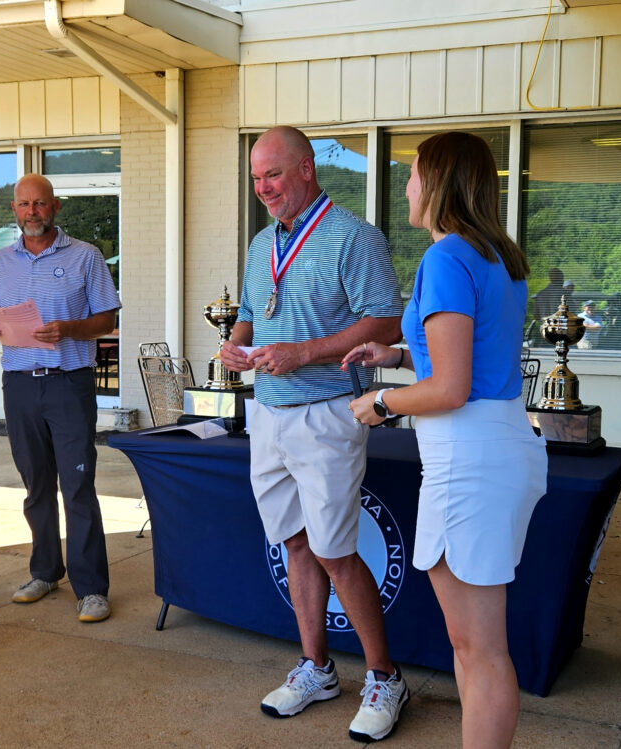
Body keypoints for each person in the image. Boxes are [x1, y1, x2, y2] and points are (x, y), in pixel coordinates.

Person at [342, 131, 548, 748]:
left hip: (469, 458)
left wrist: (379, 402)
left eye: (411, 174)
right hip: (496, 444)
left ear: (439, 182)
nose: (405, 185)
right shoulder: (494, 255)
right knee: (474, 648)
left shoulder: (445, 258)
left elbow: (452, 389)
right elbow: (472, 357)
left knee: (480, 652)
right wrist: (400, 353)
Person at [218, 126, 407, 743]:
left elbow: (384, 318)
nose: (262, 188)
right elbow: (250, 313)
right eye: (255, 178)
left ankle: (384, 677)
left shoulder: (354, 237)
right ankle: (317, 668)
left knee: (333, 550)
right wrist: (237, 346)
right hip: (267, 413)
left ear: (305, 169)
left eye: (271, 175)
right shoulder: (261, 242)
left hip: (327, 410)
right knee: (296, 546)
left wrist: (305, 353)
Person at [0, 173, 120, 624]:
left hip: (68, 382)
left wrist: (69, 329)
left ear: (55, 207)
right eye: (24, 205)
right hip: (19, 384)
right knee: (36, 483)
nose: (31, 213)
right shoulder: (0, 262)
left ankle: (91, 588)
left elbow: (107, 318)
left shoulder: (86, 257)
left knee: (77, 485)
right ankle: (44, 571)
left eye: (40, 204)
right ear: (14, 210)